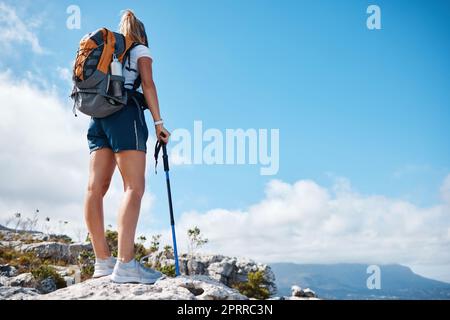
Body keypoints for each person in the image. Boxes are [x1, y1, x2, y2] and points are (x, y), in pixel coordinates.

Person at [84, 10, 170, 284]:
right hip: (125, 115)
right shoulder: (139, 48)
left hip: (99, 116)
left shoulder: (110, 52)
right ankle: (126, 264)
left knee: (95, 189)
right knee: (134, 187)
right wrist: (158, 123)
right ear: (142, 32)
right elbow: (148, 83)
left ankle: (103, 262)